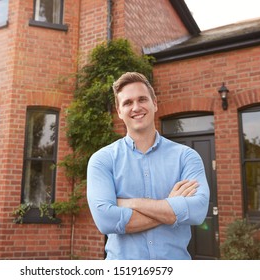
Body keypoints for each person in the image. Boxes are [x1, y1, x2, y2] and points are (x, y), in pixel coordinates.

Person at [87, 72, 210, 260]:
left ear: (155, 103)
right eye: (127, 102)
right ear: (119, 111)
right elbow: (106, 220)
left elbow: (197, 210)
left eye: (142, 99)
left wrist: (130, 203)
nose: (136, 107)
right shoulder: (103, 160)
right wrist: (170, 207)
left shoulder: (186, 157)